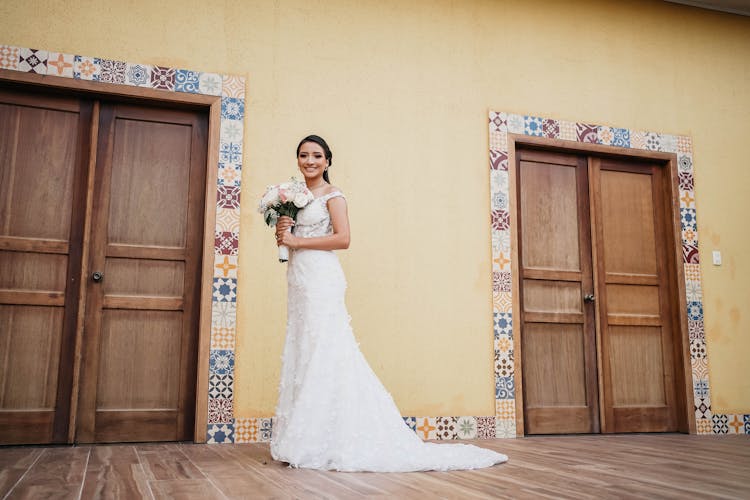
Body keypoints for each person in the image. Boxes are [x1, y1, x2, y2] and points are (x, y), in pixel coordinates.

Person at [270, 135, 508, 472]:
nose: (310, 161)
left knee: (326, 347)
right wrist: (284, 229)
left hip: (322, 279)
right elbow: (295, 237)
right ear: (297, 160)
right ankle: (305, 435)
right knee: (305, 347)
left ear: (327, 161)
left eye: (317, 156)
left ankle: (327, 437)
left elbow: (344, 238)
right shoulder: (296, 196)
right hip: (299, 278)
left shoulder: (333, 196)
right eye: (304, 155)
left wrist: (298, 240)